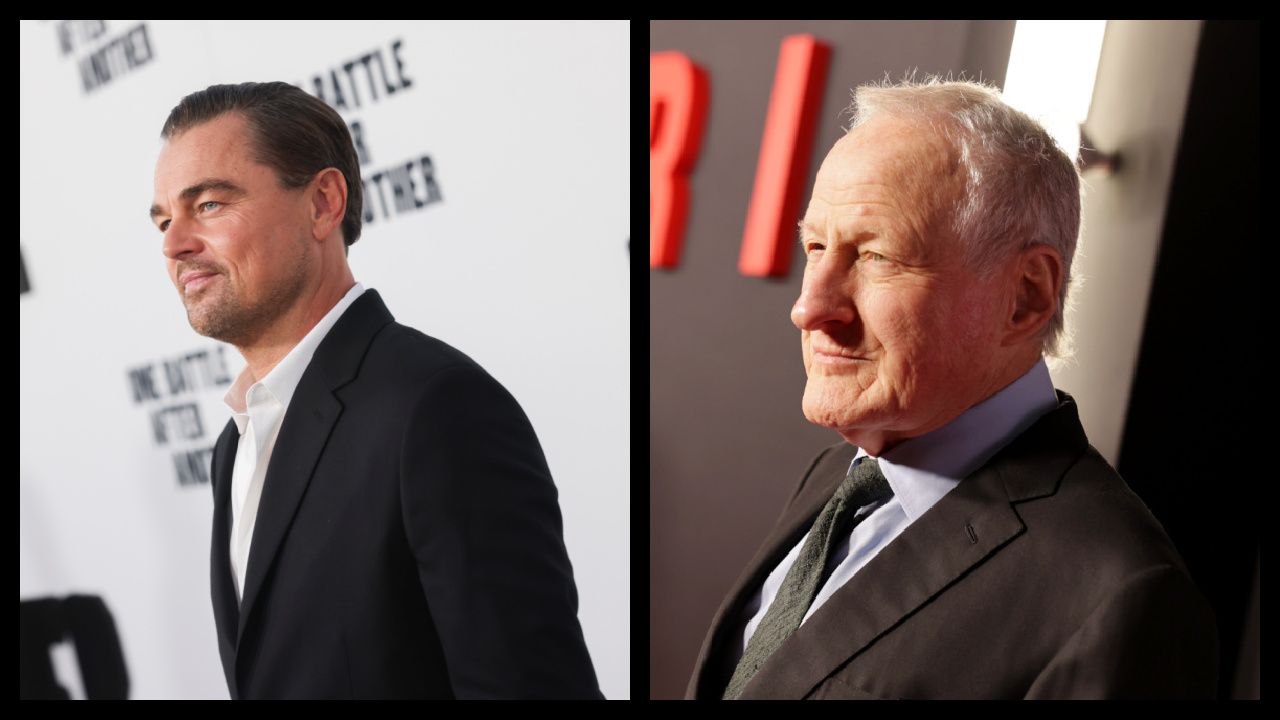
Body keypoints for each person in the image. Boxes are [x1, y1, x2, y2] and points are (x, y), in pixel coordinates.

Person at [686, 78, 1217, 700]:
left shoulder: (1118, 593)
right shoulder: (841, 477)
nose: (810, 307)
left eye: (876, 257)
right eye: (816, 246)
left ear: (1026, 297)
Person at [150, 82, 601, 699]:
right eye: (164, 220)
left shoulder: (437, 408)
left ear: (323, 202)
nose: (175, 244)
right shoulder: (236, 444)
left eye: (208, 205)